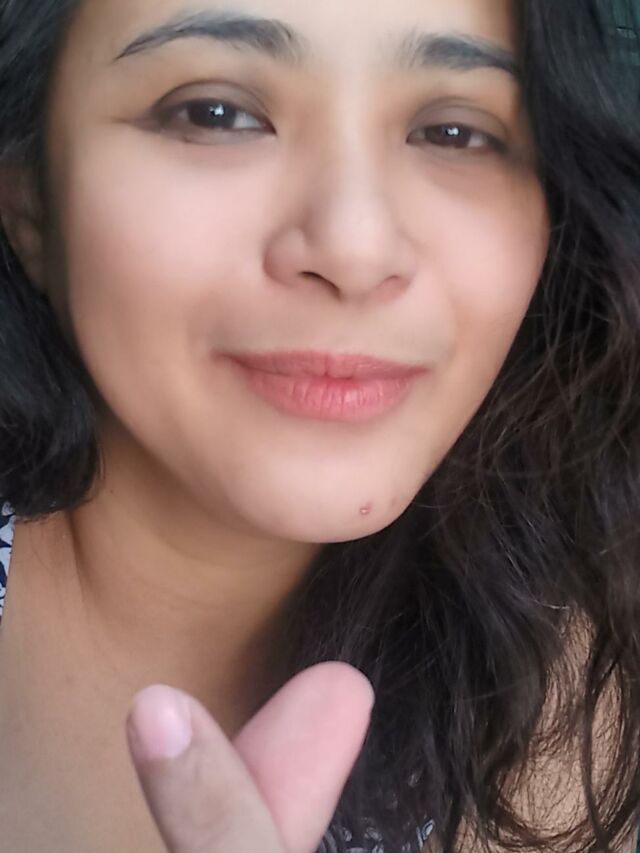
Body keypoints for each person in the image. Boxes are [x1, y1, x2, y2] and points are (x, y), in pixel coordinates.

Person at [0, 0, 639, 851]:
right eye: (215, 114)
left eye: (453, 132)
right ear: (29, 203)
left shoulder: (562, 689)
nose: (354, 248)